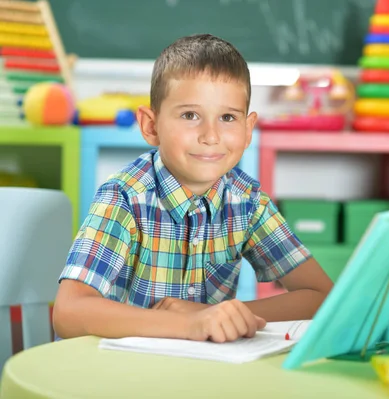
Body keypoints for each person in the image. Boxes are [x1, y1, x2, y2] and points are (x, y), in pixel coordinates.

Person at [53, 34, 333, 344]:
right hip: (125, 375)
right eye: (190, 115)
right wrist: (188, 325)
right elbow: (68, 312)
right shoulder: (125, 198)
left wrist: (229, 314)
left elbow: (323, 296)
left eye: (228, 117)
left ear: (247, 129)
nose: (211, 135)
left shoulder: (248, 202)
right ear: (151, 126)